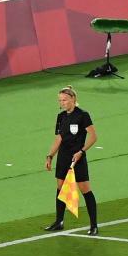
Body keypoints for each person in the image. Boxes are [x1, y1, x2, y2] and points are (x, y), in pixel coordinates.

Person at [44, 85, 99, 235]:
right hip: (63, 156)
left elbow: (93, 137)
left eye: (65, 100)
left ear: (73, 99)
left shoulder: (83, 115)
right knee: (61, 187)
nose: (62, 103)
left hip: (78, 157)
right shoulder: (61, 117)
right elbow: (58, 139)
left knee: (85, 189)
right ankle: (59, 221)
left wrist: (81, 151)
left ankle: (94, 225)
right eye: (60, 100)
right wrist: (50, 156)